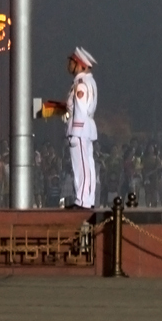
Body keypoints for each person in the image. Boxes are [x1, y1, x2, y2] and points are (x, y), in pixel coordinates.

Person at [63, 46, 98, 210]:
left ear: (80, 64)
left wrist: (74, 131)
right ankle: (85, 199)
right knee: (86, 165)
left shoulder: (82, 84)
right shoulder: (85, 82)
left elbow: (81, 110)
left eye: (73, 62)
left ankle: (83, 201)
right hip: (84, 129)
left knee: (82, 166)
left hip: (80, 130)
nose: (69, 65)